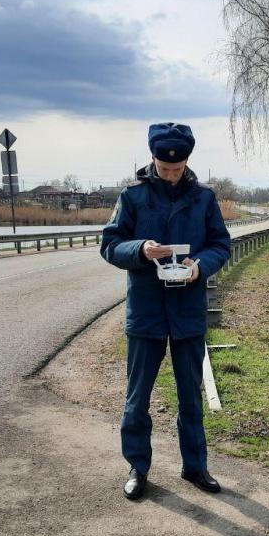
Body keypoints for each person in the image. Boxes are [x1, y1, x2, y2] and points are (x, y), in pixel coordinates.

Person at [100, 122, 232, 500]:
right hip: (146, 313)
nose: (171, 175)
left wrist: (199, 267)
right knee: (137, 398)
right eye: (164, 168)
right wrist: (140, 250)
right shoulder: (133, 196)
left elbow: (220, 245)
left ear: (188, 161)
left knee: (190, 395)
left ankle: (195, 467)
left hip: (188, 310)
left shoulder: (204, 198)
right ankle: (137, 468)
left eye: (177, 169)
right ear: (153, 159)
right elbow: (110, 245)